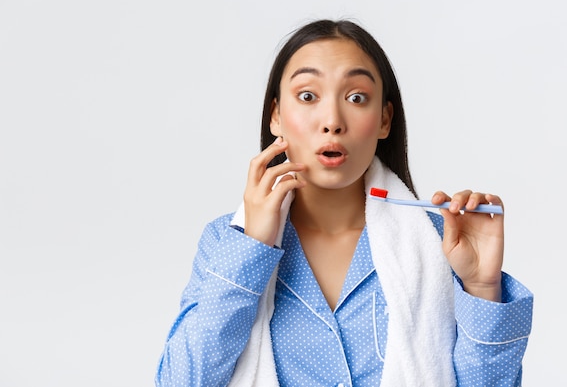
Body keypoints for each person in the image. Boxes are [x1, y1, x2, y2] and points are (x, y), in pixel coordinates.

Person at [155, 19, 533, 387]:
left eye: (356, 97)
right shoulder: (227, 244)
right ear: (276, 116)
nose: (332, 121)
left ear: (384, 119)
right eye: (308, 96)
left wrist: (482, 287)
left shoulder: (442, 243)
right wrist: (251, 247)